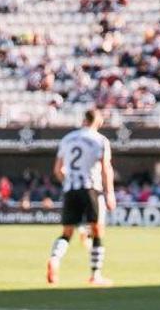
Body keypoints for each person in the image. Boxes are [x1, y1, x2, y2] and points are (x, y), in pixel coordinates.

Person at [48, 109, 117, 286]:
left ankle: (54, 259)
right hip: (90, 188)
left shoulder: (67, 138)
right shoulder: (100, 140)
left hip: (71, 189)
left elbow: (57, 170)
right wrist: (110, 193)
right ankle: (96, 275)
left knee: (66, 232)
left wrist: (68, 181)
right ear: (98, 121)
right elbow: (105, 168)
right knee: (97, 230)